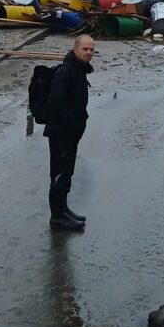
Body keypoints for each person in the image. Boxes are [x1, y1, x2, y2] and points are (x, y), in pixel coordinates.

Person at [44, 34, 95, 231]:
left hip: (70, 133)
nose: (89, 53)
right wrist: (72, 124)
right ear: (75, 49)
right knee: (59, 173)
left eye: (91, 50)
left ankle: (63, 209)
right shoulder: (65, 72)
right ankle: (57, 217)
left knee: (67, 172)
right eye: (85, 49)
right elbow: (56, 105)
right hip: (61, 134)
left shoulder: (79, 70)